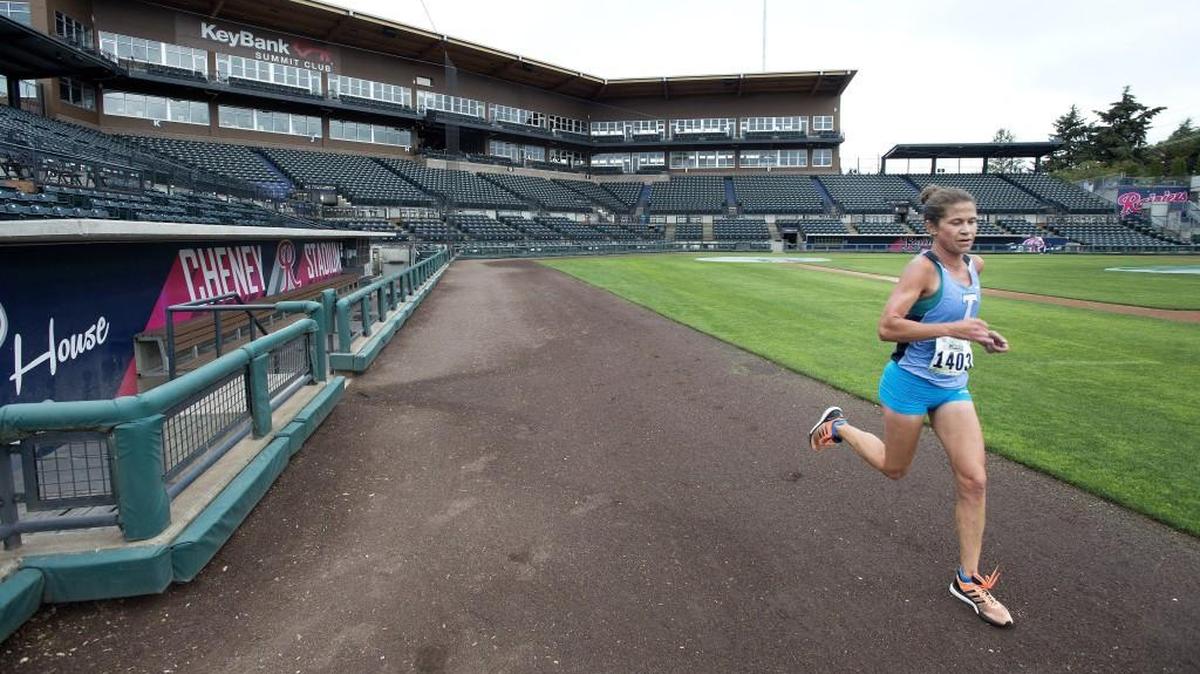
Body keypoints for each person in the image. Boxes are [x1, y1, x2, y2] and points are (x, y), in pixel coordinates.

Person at [808, 184, 1014, 627]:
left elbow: (959, 321)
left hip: (953, 386)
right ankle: (841, 426)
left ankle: (968, 579)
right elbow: (887, 326)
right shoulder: (922, 269)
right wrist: (957, 327)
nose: (967, 230)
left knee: (975, 480)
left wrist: (984, 337)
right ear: (932, 227)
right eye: (956, 222)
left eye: (972, 221)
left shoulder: (976, 266)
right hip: (910, 384)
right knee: (894, 469)